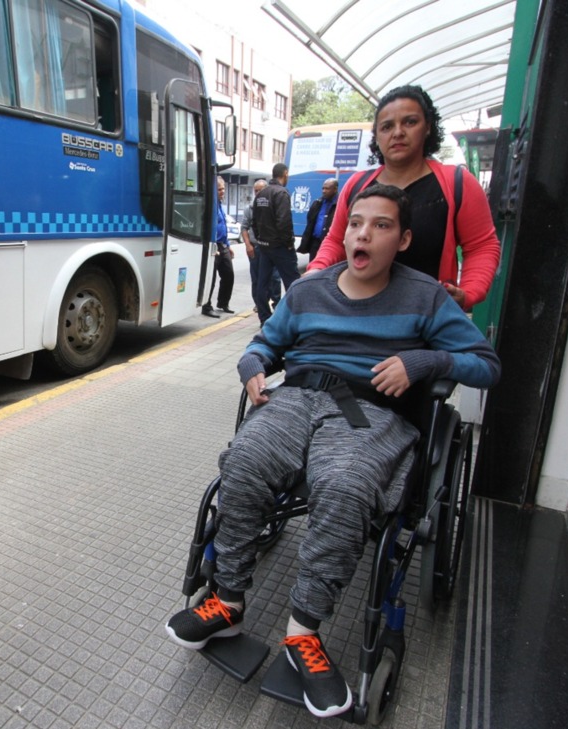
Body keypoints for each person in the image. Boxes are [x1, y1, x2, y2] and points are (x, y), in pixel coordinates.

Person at [165, 185, 501, 718]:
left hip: (364, 409)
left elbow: (486, 364)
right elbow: (263, 345)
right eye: (356, 223)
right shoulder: (308, 289)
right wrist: (253, 367)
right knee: (246, 459)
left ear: (404, 238)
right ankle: (226, 601)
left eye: (382, 225)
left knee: (345, 486)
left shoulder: (424, 296)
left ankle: (303, 633)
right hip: (297, 396)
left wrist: (423, 363)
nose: (363, 233)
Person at [306, 85, 500, 310]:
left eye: (410, 122)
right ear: (377, 135)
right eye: (387, 126)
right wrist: (316, 271)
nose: (397, 132)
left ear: (427, 127)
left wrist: (468, 293)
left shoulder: (457, 182)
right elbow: (336, 239)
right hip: (357, 315)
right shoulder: (356, 185)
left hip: (426, 319)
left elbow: (482, 246)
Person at [250, 163, 299, 324]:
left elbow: (254, 222)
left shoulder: (261, 194)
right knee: (293, 284)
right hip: (280, 247)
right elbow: (284, 222)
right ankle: (294, 319)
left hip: (264, 247)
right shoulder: (281, 193)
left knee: (262, 284)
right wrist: (289, 243)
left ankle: (265, 318)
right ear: (285, 173)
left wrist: (260, 239)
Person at [239, 179, 282, 314]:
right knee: (257, 280)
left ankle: (277, 305)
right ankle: (260, 306)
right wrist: (248, 245)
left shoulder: (273, 206)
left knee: (274, 278)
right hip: (256, 248)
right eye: (256, 191)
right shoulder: (250, 208)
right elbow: (244, 228)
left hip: (271, 248)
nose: (258, 193)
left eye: (261, 190)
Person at [202, 177, 235, 317]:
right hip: (213, 246)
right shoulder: (210, 205)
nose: (222, 192)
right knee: (212, 278)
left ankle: (223, 303)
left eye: (223, 189)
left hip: (223, 245)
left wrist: (228, 245)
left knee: (229, 275)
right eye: (220, 189)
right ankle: (207, 306)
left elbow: (223, 227)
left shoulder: (220, 205)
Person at [298, 178, 339, 261]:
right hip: (315, 243)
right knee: (313, 265)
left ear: (335, 189)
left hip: (329, 244)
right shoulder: (317, 203)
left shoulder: (339, 205)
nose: (324, 191)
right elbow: (310, 221)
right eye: (323, 188)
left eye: (327, 188)